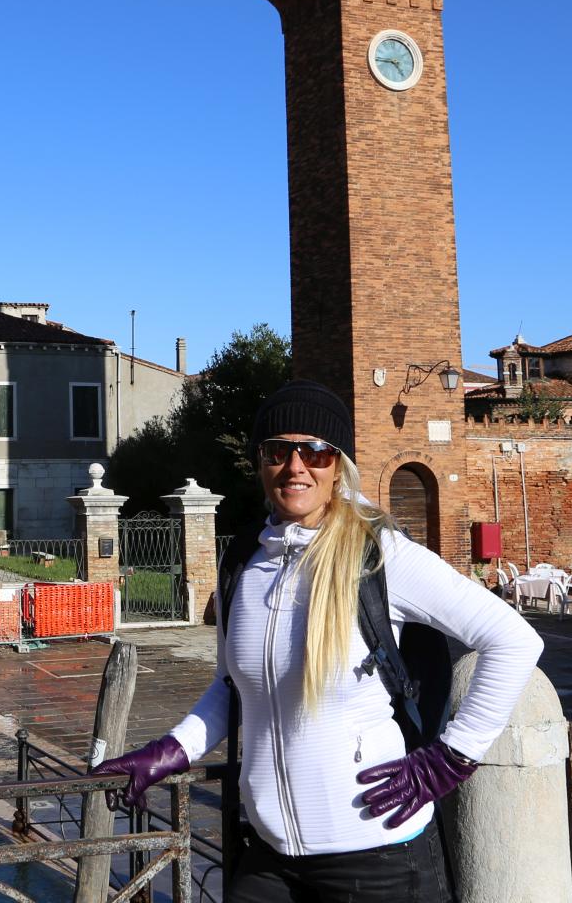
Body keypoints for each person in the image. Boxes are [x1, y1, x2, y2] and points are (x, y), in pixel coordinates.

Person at [95, 381, 543, 903]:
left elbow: (513, 640)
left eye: (316, 451)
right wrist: (171, 750)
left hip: (377, 856)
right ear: (260, 462)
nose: (295, 466)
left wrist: (451, 759)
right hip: (266, 855)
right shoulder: (242, 561)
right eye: (277, 450)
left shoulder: (380, 554)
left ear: (338, 464)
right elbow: (234, 687)